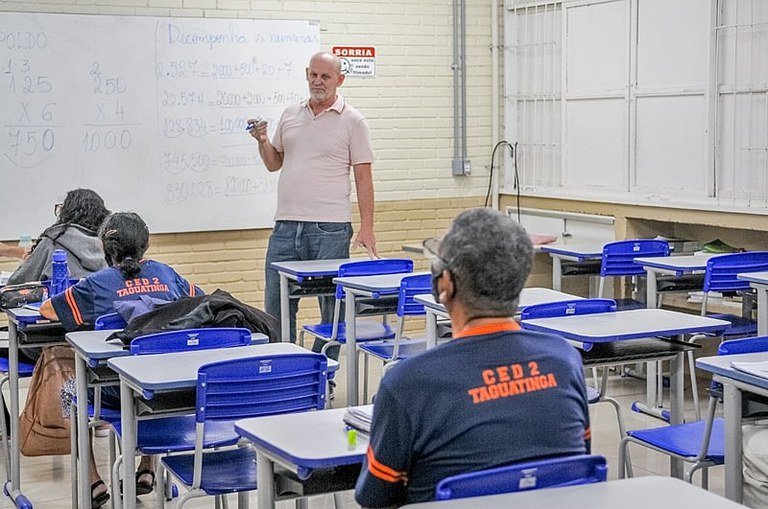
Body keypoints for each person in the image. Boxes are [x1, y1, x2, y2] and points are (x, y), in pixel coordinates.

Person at [355, 208, 591, 507]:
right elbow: (578, 463)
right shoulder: (565, 360)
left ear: (444, 284)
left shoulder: (407, 382)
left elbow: (374, 496)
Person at [40, 212, 203, 508]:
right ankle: (148, 468)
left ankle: (93, 481)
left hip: (113, 392)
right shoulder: (167, 275)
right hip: (166, 391)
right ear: (146, 245)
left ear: (104, 247)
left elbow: (48, 311)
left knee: (71, 391)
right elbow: (198, 300)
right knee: (152, 362)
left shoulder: (97, 283)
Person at [248, 51, 377, 357]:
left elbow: (364, 179)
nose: (318, 81)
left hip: (330, 229)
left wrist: (367, 227)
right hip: (285, 226)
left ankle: (322, 369)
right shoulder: (291, 114)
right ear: (307, 74)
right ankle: (285, 365)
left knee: (332, 306)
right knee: (276, 304)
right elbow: (274, 163)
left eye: (325, 77)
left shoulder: (353, 121)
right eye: (314, 75)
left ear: (339, 80)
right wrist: (263, 141)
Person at [7, 188, 110, 286]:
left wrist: (28, 262)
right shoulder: (107, 244)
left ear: (66, 212)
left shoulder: (53, 241)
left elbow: (16, 283)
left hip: (58, 298)